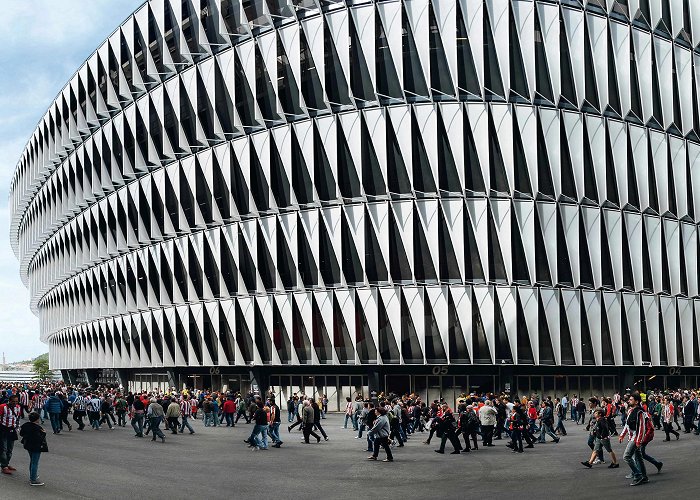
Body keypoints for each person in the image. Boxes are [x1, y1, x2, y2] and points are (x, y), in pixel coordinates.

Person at [619, 393, 652, 486]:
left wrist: (638, 441)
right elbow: (627, 425)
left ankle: (638, 475)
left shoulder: (640, 412)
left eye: (631, 400)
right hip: (633, 437)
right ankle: (644, 477)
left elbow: (642, 428)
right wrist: (622, 435)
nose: (629, 401)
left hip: (636, 437)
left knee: (626, 456)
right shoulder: (631, 411)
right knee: (638, 457)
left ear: (636, 401)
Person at [19, 412, 47, 486]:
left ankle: (32, 475)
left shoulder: (25, 425)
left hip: (28, 445)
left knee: (32, 460)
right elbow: (39, 439)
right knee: (35, 462)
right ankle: (33, 479)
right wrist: (44, 433)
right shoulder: (37, 428)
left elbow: (21, 433)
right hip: (36, 446)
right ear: (37, 419)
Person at [0, 394, 20, 475]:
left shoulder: (18, 407)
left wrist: (17, 428)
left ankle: (6, 464)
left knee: (10, 449)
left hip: (12, 430)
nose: (15, 403)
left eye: (16, 402)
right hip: (3, 429)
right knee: (3, 449)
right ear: (9, 400)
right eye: (13, 401)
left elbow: (17, 418)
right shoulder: (2, 406)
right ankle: (4, 466)